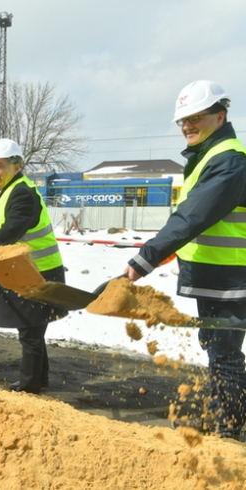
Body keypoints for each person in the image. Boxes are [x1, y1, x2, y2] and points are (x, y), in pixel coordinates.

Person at [124, 80, 246, 439]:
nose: (188, 126)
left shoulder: (229, 160)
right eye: (183, 121)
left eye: (196, 118)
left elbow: (193, 215)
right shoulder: (209, 156)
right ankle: (217, 418)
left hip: (231, 278)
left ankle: (227, 431)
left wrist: (146, 257)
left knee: (225, 355)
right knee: (216, 351)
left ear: (220, 115)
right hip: (215, 275)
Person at [0, 138, 66, 394]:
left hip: (37, 271)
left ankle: (29, 387)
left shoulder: (23, 193)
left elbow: (9, 232)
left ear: (16, 166)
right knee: (31, 330)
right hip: (22, 271)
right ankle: (39, 379)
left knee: (30, 332)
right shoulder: (5, 192)